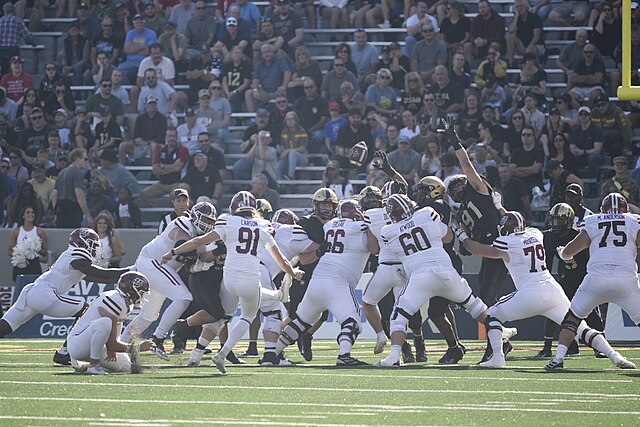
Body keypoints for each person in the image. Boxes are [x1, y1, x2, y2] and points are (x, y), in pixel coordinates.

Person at [459, 211, 628, 369]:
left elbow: (477, 249)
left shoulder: (507, 242)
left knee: (492, 315)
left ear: (505, 229)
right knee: (580, 328)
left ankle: (497, 357)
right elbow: (517, 223)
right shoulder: (535, 234)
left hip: (530, 292)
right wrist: (500, 208)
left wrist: (462, 236)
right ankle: (614, 356)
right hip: (552, 290)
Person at [164, 194, 304, 373]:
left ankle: (196, 354)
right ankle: (222, 354)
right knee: (247, 317)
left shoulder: (227, 222)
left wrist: (173, 252)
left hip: (228, 279)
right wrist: (295, 273)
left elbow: (198, 241)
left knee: (223, 316)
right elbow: (283, 262)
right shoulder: (263, 226)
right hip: (250, 279)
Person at [374, 194, 491, 367]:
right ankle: (499, 338)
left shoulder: (387, 231)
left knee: (398, 317)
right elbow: (448, 238)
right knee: (475, 306)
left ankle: (393, 357)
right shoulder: (426, 213)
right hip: (445, 270)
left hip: (420, 276)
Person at [0, 227, 131, 366]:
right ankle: (65, 353)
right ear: (81, 243)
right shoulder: (77, 254)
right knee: (86, 309)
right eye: (92, 245)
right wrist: (131, 270)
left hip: (33, 291)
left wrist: (126, 275)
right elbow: (104, 274)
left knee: (5, 326)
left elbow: (104, 279)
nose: (95, 249)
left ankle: (65, 353)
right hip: (45, 293)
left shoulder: (73, 257)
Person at [270, 200, 378, 366]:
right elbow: (375, 249)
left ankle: (273, 354)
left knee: (300, 322)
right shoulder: (360, 227)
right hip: (338, 282)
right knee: (353, 322)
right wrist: (368, 224)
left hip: (317, 281)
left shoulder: (330, 225)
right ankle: (344, 355)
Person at [546, 193, 638, 371]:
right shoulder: (633, 221)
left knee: (571, 320)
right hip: (626, 279)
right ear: (625, 209)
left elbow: (569, 252)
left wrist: (562, 252)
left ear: (602, 210)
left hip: (596, 279)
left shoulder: (593, 221)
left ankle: (557, 359)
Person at [120, 201, 211, 359]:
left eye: (211, 221)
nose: (208, 224)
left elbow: (192, 258)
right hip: (154, 261)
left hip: (159, 267)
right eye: (206, 219)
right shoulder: (184, 222)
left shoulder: (199, 236)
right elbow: (182, 244)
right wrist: (209, 250)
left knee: (148, 316)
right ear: (195, 217)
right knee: (183, 297)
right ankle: (158, 339)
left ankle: (121, 343)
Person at [536, 202, 605, 358]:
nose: (555, 224)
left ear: (568, 220)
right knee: (553, 310)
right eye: (553, 220)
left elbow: (590, 258)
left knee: (591, 313)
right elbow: (546, 262)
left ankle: (600, 346)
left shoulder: (578, 235)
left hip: (583, 278)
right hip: (565, 279)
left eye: (559, 220)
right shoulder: (549, 236)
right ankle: (551, 347)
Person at [67, 271, 155, 375]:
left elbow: (116, 328)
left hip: (94, 345)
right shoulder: (114, 300)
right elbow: (112, 343)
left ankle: (86, 366)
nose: (142, 296)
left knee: (125, 366)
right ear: (131, 290)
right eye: (140, 292)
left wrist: (113, 347)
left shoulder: (125, 304)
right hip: (78, 345)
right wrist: (138, 347)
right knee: (105, 323)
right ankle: (93, 366)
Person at [140, 128, 189, 208]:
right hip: (161, 183)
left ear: (177, 137)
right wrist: (172, 166)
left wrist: (162, 166)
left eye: (173, 136)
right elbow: (155, 170)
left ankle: (172, 215)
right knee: (144, 194)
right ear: (166, 137)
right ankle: (161, 213)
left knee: (175, 195)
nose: (171, 138)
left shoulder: (182, 150)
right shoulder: (160, 151)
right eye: (169, 136)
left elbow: (178, 168)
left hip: (176, 183)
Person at [51, 148, 93, 228]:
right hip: (72, 209)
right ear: (77, 158)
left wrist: (56, 212)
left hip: (60, 209)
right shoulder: (77, 173)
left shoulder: (62, 172)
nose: (86, 162)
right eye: (85, 159)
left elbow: (54, 194)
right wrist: (88, 215)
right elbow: (79, 194)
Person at [120, 95, 166, 165]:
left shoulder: (162, 118)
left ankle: (155, 171)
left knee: (153, 146)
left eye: (154, 104)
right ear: (146, 105)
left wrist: (147, 142)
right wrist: (138, 141)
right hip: (141, 146)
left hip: (156, 146)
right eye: (150, 104)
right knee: (123, 145)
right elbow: (136, 136)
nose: (152, 106)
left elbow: (161, 137)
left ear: (156, 105)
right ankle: (122, 170)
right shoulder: (140, 118)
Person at [7, 205, 47, 281]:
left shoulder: (40, 232)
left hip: (34, 264)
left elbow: (45, 252)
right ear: (23, 216)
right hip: (21, 264)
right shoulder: (16, 231)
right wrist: (21, 254)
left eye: (32, 212)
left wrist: (33, 250)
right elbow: (9, 251)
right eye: (28, 212)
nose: (31, 214)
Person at [118, 14, 158, 84]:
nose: (139, 24)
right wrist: (143, 47)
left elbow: (150, 51)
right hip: (130, 62)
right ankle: (128, 91)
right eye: (137, 22)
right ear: (134, 23)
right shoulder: (130, 33)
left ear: (144, 23)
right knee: (118, 71)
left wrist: (133, 49)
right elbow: (126, 50)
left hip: (146, 62)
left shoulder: (151, 33)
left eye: (141, 22)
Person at [463, 0, 505, 65]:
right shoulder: (476, 19)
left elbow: (500, 36)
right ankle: (468, 70)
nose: (482, 9)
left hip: (494, 46)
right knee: (467, 46)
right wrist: (475, 41)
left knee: (494, 45)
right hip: (479, 47)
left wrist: (486, 41)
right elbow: (471, 35)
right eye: (480, 8)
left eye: (484, 7)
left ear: (489, 7)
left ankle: (491, 68)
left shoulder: (498, 19)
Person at [0, 3, 36, 76]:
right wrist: (33, 42)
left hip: (1, 49)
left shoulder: (0, 21)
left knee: (4, 72)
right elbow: (27, 35)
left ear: (4, 11)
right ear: (14, 11)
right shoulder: (18, 21)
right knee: (14, 72)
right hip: (13, 50)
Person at [505, 0, 545, 67]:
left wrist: (529, 47)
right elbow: (510, 30)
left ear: (526, 7)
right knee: (509, 36)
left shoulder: (535, 17)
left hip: (537, 45)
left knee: (533, 48)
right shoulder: (517, 19)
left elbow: (537, 37)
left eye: (521, 6)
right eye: (517, 7)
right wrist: (516, 16)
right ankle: (511, 63)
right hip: (523, 45)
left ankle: (537, 68)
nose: (520, 8)